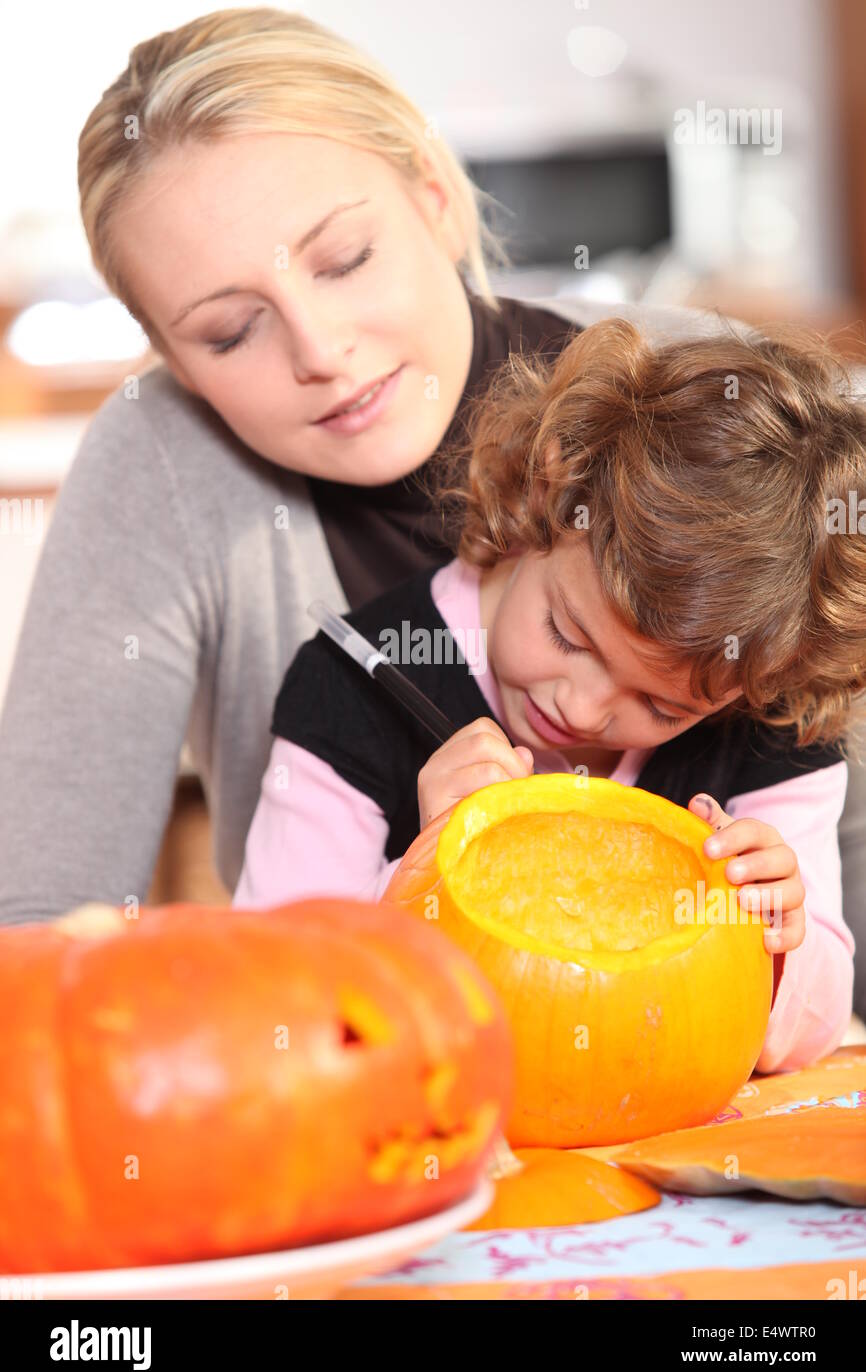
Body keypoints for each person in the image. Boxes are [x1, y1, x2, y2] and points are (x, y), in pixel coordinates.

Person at [1, 8, 865, 1031]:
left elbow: (829, 877)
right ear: (169, 359)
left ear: (430, 191)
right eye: (228, 330)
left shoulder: (701, 403)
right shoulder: (163, 473)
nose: (319, 350)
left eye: (342, 258)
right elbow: (43, 941)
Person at [233, 317, 866, 1074]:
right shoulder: (353, 686)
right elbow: (273, 1002)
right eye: (569, 636)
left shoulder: (770, 712)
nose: (583, 711)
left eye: (663, 708)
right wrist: (423, 875)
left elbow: (813, 1032)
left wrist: (779, 937)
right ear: (549, 494)